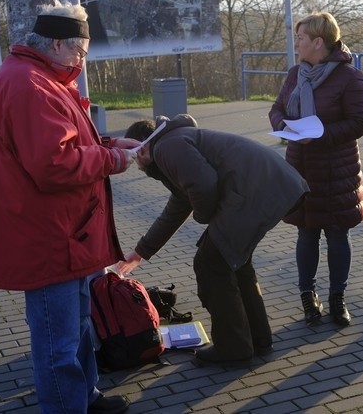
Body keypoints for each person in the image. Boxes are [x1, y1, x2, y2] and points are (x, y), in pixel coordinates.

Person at [0, 0, 135, 414]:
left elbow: (69, 144)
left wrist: (113, 144)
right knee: (58, 342)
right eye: (80, 51)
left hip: (67, 234)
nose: (82, 61)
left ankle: (86, 396)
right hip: (50, 238)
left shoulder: (39, 78)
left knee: (80, 328)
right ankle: (68, 407)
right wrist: (115, 160)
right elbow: (53, 165)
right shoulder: (30, 85)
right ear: (57, 44)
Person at [116, 114, 309, 368]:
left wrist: (205, 217)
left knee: (210, 264)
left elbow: (204, 186)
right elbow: (179, 203)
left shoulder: (166, 147)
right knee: (235, 262)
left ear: (142, 146)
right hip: (271, 186)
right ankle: (258, 339)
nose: (132, 160)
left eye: (132, 151)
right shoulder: (173, 143)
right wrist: (141, 251)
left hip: (257, 191)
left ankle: (234, 348)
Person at [268, 12, 363, 327]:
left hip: (337, 169)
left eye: (301, 38)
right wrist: (284, 126)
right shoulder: (295, 73)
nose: (296, 43)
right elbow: (277, 109)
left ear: (318, 42)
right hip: (301, 165)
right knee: (306, 231)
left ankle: (338, 298)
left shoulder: (349, 77)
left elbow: (359, 121)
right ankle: (307, 296)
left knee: (337, 233)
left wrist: (321, 134)